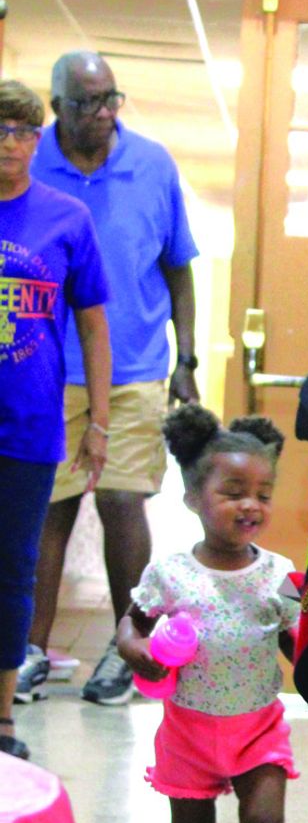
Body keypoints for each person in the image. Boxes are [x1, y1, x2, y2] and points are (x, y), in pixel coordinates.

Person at [18, 51, 199, 708]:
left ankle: (128, 645)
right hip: (44, 370)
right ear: (58, 105)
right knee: (49, 508)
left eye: (111, 99)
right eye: (89, 102)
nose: (103, 113)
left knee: (123, 502)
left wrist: (187, 360)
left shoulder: (152, 165)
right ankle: (29, 650)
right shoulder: (25, 158)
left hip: (135, 368)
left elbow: (178, 268)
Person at [116, 404, 300, 823]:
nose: (252, 504)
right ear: (195, 497)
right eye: (234, 491)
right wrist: (136, 651)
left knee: (266, 820)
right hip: (189, 728)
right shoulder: (169, 573)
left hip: (257, 726)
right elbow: (131, 625)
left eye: (263, 493)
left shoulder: (278, 574)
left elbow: (299, 643)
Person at [0, 80, 111, 761]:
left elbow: (95, 328)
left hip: (29, 428)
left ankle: (4, 716)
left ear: (37, 142)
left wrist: (98, 422)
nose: (9, 145)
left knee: (12, 570)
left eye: (21, 133)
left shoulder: (66, 218)